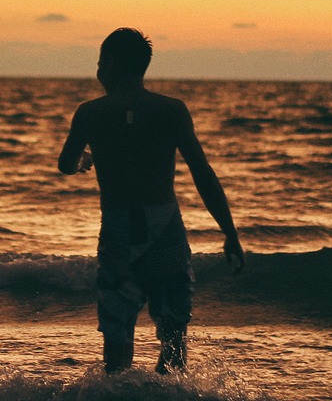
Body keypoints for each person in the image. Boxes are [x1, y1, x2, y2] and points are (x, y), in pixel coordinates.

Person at [58, 28, 244, 374]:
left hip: (117, 231)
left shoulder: (90, 114)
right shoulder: (171, 110)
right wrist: (229, 232)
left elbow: (65, 164)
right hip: (165, 229)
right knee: (173, 334)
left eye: (100, 63)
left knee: (117, 337)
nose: (98, 71)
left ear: (110, 66)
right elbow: (202, 173)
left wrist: (84, 160)